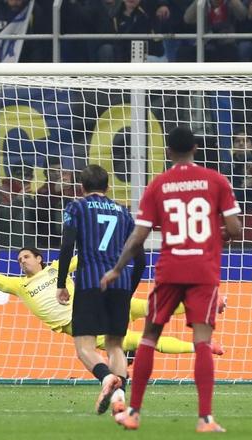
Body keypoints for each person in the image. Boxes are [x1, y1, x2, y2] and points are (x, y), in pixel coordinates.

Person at [101, 126, 242, 433]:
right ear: (195, 148)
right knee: (202, 341)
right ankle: (205, 419)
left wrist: (117, 268)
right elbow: (235, 229)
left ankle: (134, 413)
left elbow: (138, 237)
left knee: (149, 336)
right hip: (203, 270)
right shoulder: (217, 180)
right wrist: (213, 237)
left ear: (168, 152)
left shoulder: (159, 185)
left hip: (170, 269)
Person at [0, 226, 225, 356]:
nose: (22, 261)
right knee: (142, 341)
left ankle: (209, 304)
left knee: (152, 307)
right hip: (86, 327)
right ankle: (200, 347)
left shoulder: (56, 269)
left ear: (39, 258)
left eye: (26, 257)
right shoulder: (19, 286)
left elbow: (85, 256)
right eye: (20, 260)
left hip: (97, 306)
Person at [55, 164, 144, 416]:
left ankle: (106, 378)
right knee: (115, 346)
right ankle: (119, 398)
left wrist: (61, 283)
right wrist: (128, 290)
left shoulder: (76, 207)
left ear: (82, 187)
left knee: (85, 346)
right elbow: (140, 259)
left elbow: (67, 245)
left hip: (90, 282)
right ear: (108, 186)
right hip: (120, 284)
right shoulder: (124, 213)